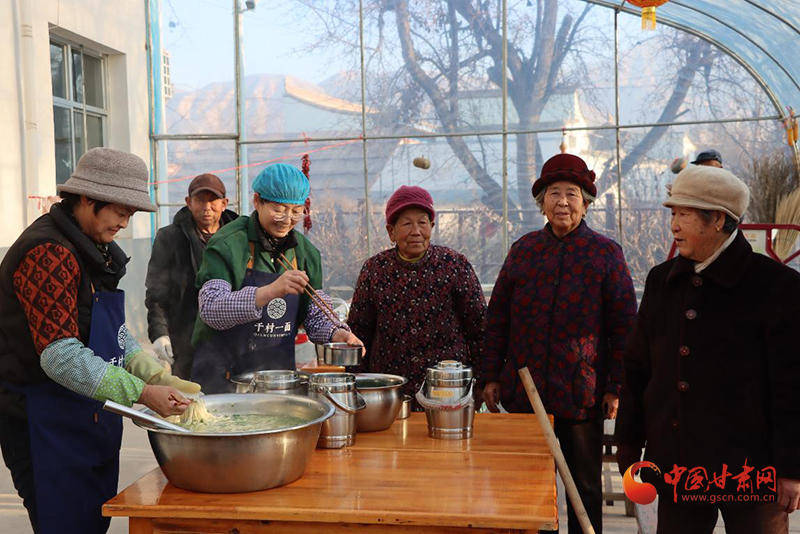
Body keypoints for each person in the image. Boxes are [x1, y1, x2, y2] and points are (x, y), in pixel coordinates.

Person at [0, 148, 200, 534]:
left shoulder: (93, 249)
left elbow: (109, 333)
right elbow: (60, 356)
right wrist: (142, 393)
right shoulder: (48, 252)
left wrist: (155, 375)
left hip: (86, 416)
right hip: (45, 424)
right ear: (88, 198)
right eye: (120, 212)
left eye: (131, 214)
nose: (125, 223)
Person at [615, 164, 800, 533]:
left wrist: (792, 469)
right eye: (673, 213)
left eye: (684, 214)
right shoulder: (662, 282)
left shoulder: (777, 287)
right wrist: (629, 446)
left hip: (751, 466)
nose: (674, 225)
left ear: (717, 220)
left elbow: (792, 386)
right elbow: (638, 369)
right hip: (679, 461)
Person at [481, 153, 637, 534]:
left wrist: (616, 386)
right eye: (554, 193)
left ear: (585, 203)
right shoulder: (525, 250)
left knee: (583, 488)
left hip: (580, 394)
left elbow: (624, 327)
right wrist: (490, 375)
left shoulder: (604, 253)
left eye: (572, 194)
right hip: (525, 395)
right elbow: (497, 317)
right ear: (542, 203)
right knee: (526, 488)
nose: (562, 202)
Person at [190, 163, 362, 393]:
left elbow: (316, 315)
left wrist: (338, 333)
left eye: (296, 210)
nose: (287, 219)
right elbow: (211, 309)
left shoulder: (305, 253)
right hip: (224, 378)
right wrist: (270, 291)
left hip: (277, 379)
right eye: (279, 208)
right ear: (257, 201)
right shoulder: (228, 244)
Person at [347, 185, 486, 403]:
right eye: (406, 223)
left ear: (432, 226)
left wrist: (483, 380)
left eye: (422, 222)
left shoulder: (454, 265)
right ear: (391, 231)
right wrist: (356, 382)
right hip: (390, 387)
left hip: (447, 386)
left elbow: (478, 327)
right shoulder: (375, 269)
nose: (416, 231)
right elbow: (358, 331)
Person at [145, 173, 237, 378]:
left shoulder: (239, 237)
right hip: (186, 337)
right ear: (188, 202)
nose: (206, 207)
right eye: (199, 200)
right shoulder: (169, 238)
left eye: (212, 200)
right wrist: (159, 333)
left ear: (224, 203)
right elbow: (156, 293)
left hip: (233, 337)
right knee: (189, 399)